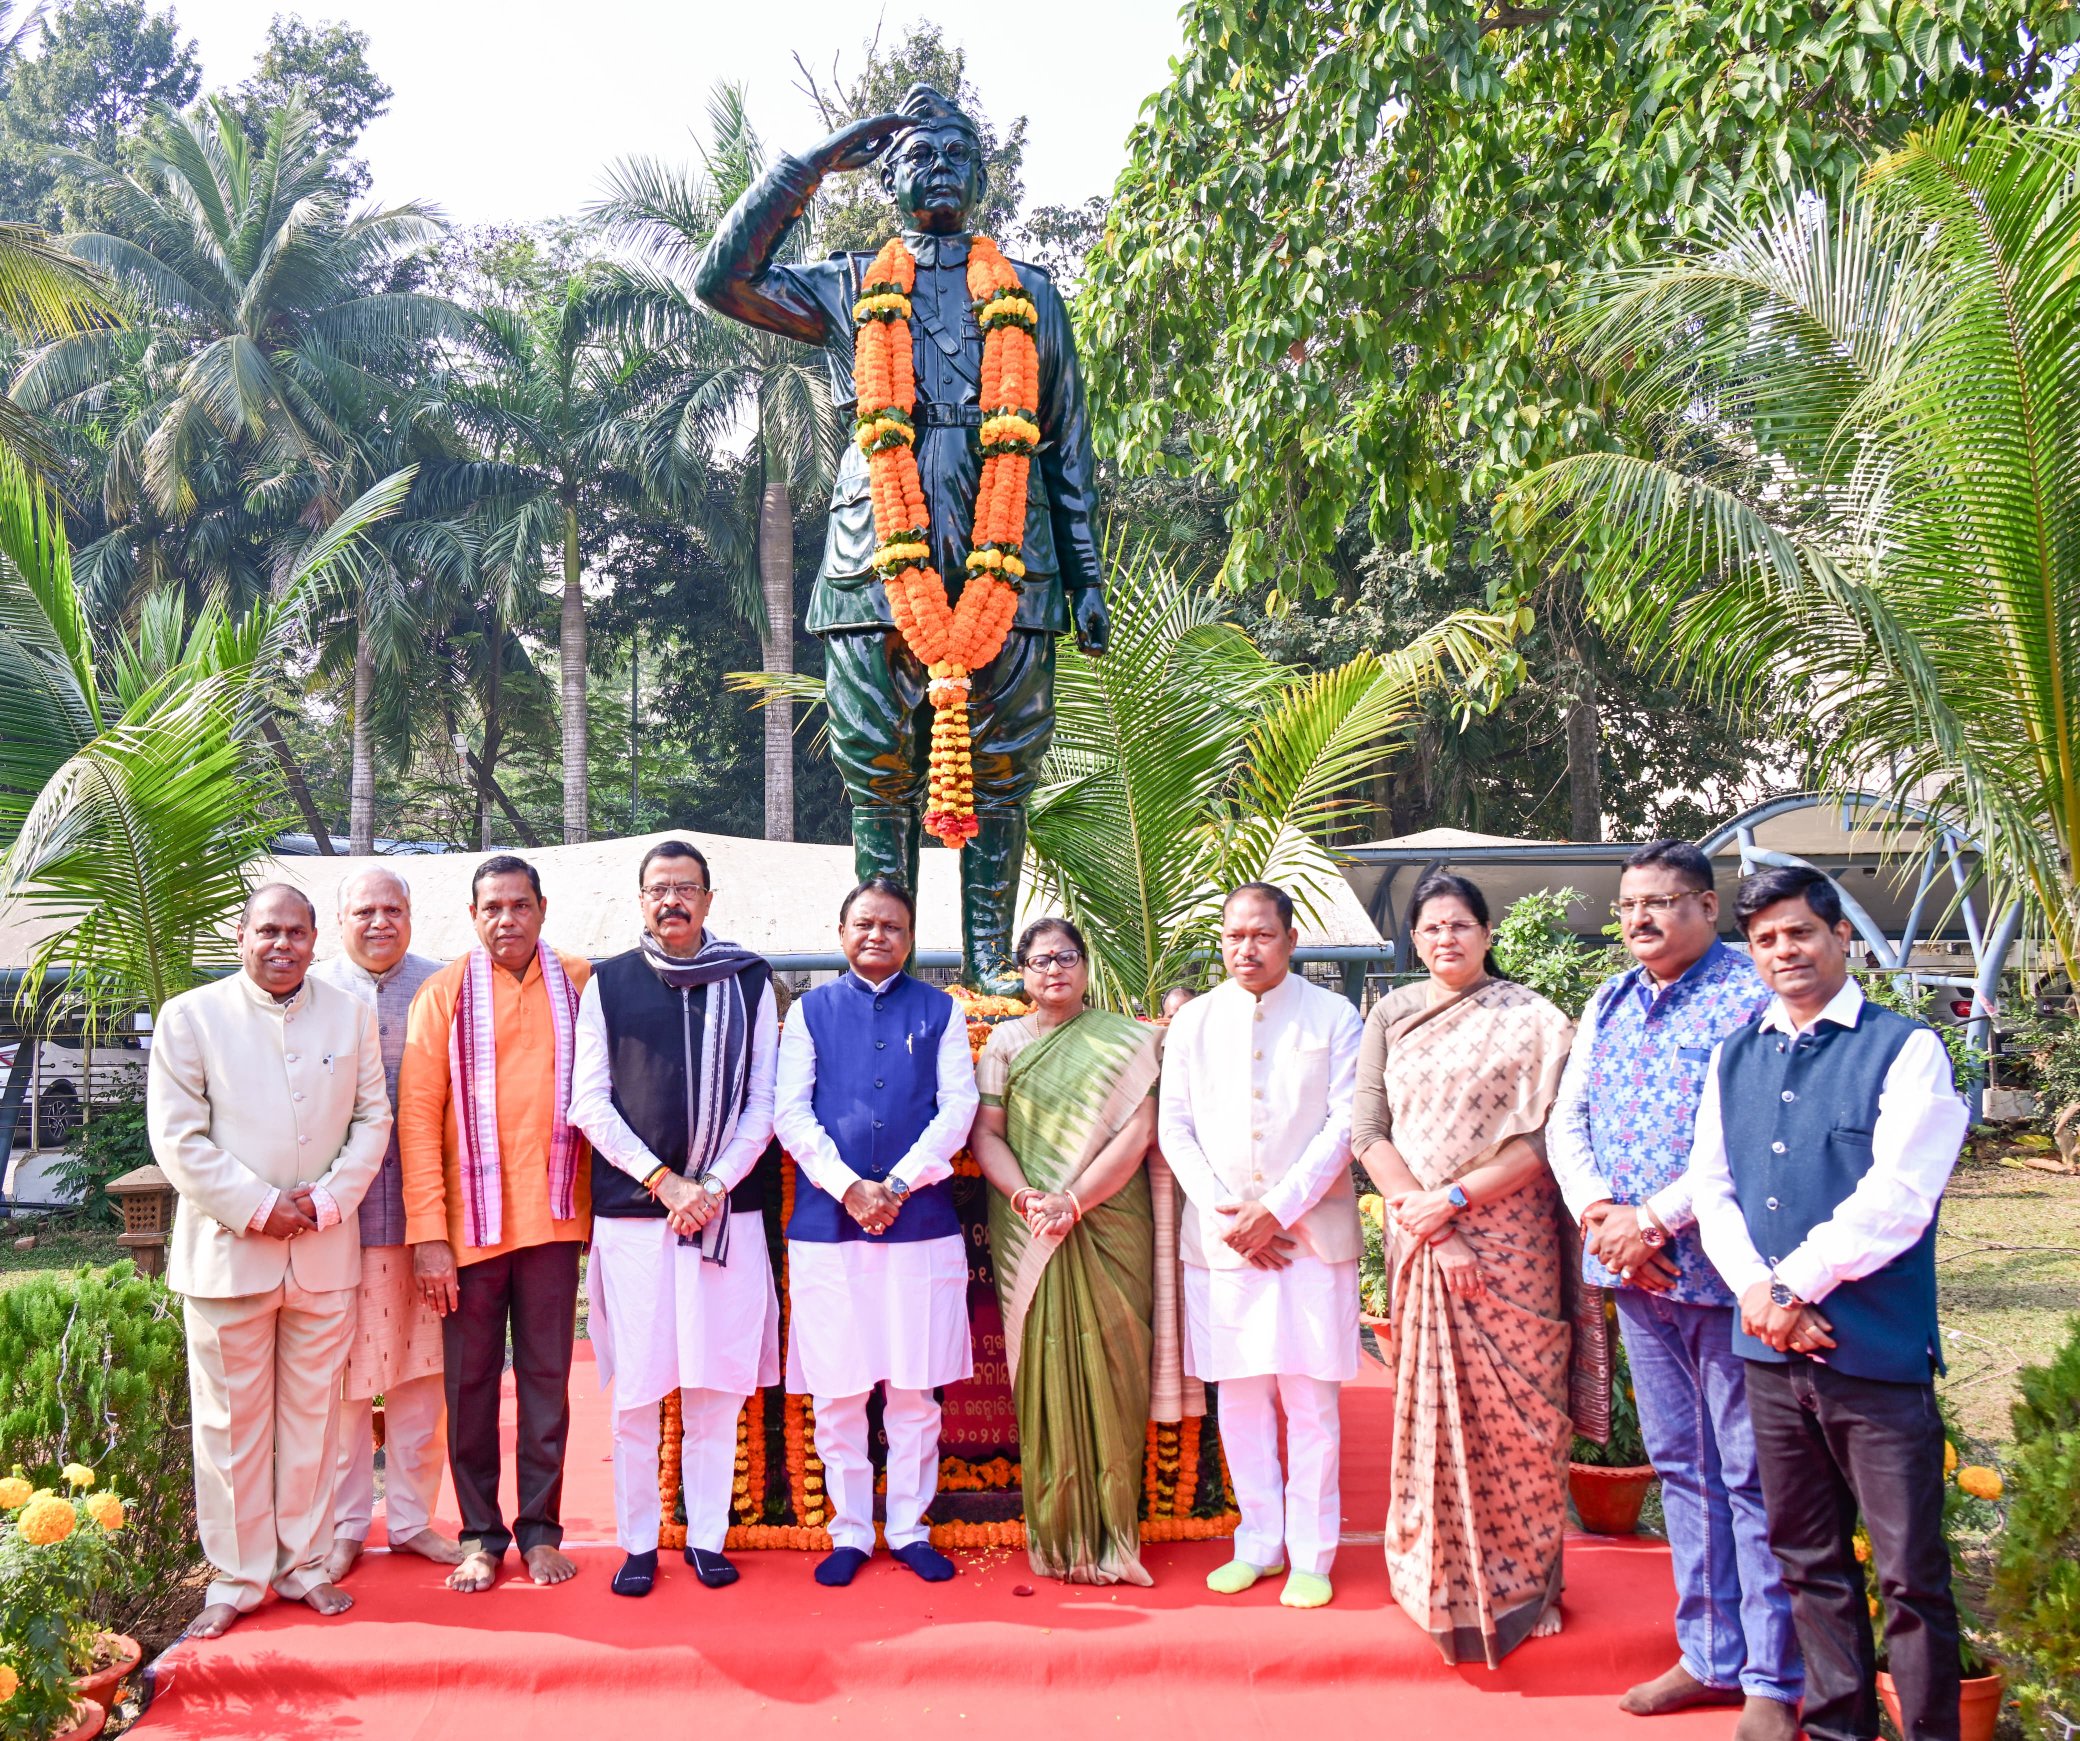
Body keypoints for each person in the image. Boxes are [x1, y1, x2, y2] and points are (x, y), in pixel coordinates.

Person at [695, 83, 1108, 990]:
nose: (940, 170)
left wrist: (1087, 580)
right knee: (876, 764)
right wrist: (804, 169)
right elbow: (720, 280)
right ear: (883, 179)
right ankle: (888, 962)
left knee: (1002, 766)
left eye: (958, 154)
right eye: (918, 155)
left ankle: (994, 963)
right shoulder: (851, 282)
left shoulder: (1034, 294)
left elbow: (1067, 444)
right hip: (870, 557)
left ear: (984, 175)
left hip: (1016, 558)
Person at [1689, 865, 1968, 1741]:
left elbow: (1899, 1196)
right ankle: (1841, 1727)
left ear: (1841, 935)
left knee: (1910, 1575)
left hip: (1873, 1357)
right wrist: (1759, 1296)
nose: (1785, 951)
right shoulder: (1735, 1053)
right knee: (1808, 1562)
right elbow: (1712, 1187)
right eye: (1765, 939)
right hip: (1772, 1358)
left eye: (1800, 932)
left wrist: (1788, 1286)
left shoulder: (1907, 1047)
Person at [1546, 841, 1800, 1739]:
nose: (1641, 919)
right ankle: (1708, 1653)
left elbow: (1739, 1135)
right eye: (1627, 905)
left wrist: (1651, 1222)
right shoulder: (1608, 998)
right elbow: (1567, 1119)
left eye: (1660, 902)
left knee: (1751, 1472)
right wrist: (1603, 1212)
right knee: (1684, 1468)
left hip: (1727, 1275)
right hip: (1636, 1276)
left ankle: (1774, 1673)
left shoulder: (1750, 994)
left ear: (1705, 904)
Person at [146, 883, 391, 1637]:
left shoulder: (350, 1013)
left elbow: (371, 1116)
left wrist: (325, 1201)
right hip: (228, 1255)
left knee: (316, 1419)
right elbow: (178, 1136)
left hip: (323, 1249)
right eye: (268, 931)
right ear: (241, 935)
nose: (282, 944)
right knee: (229, 1426)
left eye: (295, 931)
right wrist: (259, 1204)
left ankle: (305, 1563)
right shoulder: (192, 1016)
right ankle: (236, 1575)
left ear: (317, 938)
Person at [1352, 871, 1575, 1665]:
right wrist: (1428, 1219)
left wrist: (1455, 1197)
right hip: (1424, 1238)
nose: (1445, 938)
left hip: (1511, 1238)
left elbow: (1549, 1139)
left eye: (1460, 924)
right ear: (1414, 939)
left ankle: (1529, 1583)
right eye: (1430, 927)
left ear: (1487, 932)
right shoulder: (1391, 1014)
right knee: (1434, 1412)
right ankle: (1433, 1574)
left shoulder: (1536, 1020)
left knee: (1522, 1414)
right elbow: (1369, 1129)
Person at [567, 841, 781, 1598]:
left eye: (686, 887)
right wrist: (665, 1182)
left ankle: (708, 1535)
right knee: (637, 1390)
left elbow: (765, 1099)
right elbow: (589, 1100)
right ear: (640, 901)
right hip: (636, 1218)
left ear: (709, 900)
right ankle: (635, 1541)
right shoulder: (610, 982)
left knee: (715, 1385)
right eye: (659, 888)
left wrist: (712, 1184)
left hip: (726, 1214)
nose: (672, 901)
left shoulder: (749, 978)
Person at [1159, 882, 1363, 1610]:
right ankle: (1258, 1541)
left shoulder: (1335, 1016)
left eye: (1261, 935)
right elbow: (1173, 1128)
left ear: (1291, 937)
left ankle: (1312, 1552)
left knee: (1311, 1402)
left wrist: (1275, 1211)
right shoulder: (1194, 1023)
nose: (1246, 948)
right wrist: (1230, 1217)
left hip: (1309, 1239)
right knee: (1239, 1398)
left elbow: (1346, 1125)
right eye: (1233, 935)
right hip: (1222, 1242)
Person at [773, 876, 979, 1586]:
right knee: (838, 1390)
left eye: (892, 926)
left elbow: (958, 1111)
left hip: (918, 1223)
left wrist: (895, 1185)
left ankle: (911, 1528)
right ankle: (852, 1530)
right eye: (864, 923)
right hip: (829, 1228)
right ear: (841, 933)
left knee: (915, 1390)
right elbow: (790, 1113)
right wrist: (849, 1188)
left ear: (911, 936)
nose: (877, 935)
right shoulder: (809, 1012)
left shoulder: (940, 1011)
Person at [397, 855, 593, 1595]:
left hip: (555, 1219)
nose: (506, 918)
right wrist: (430, 1233)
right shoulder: (442, 993)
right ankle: (483, 1533)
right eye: (492, 907)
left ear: (542, 908)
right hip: (468, 1230)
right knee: (470, 1385)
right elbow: (417, 1119)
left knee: (548, 1379)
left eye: (519, 904)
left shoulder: (579, 982)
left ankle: (541, 1530)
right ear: (473, 915)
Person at [969, 917, 1162, 1585]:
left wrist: (1075, 1198)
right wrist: (1027, 1197)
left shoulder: (1129, 1043)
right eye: (1041, 959)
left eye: (1068, 956)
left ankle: (1114, 1528)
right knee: (1046, 1362)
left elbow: (1139, 1134)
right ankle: (1061, 1534)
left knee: (1114, 1361)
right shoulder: (1004, 1043)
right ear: (1021, 972)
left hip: (1109, 1220)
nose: (1055, 969)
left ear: (1086, 966)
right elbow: (985, 1133)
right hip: (1030, 1227)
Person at [308, 868, 462, 1585]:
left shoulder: (446, 984)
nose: (379, 921)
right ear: (340, 918)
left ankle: (410, 1521)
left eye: (392, 908)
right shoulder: (310, 991)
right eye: (364, 909)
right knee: (339, 1384)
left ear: (412, 913)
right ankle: (345, 1525)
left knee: (420, 1376)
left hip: (425, 1217)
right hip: (330, 1223)